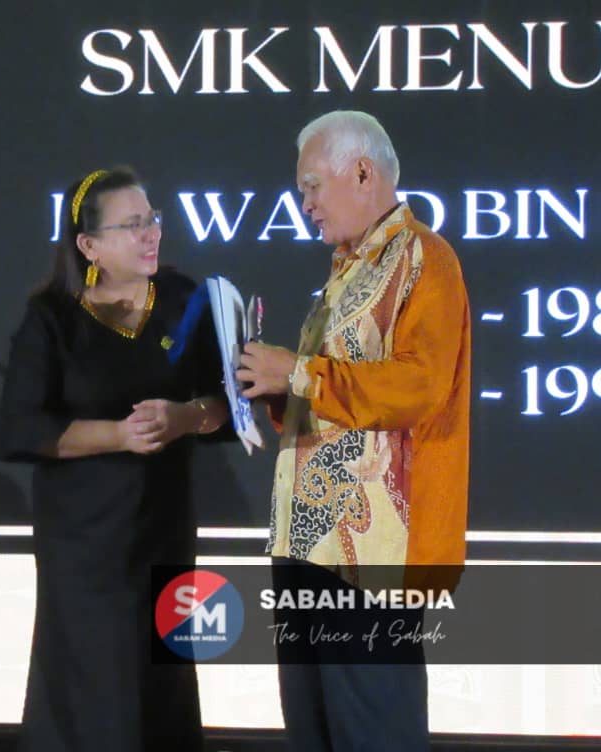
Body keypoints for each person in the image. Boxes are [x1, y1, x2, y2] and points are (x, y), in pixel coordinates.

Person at [235, 110, 471, 751]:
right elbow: (333, 399)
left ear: (363, 172)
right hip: (305, 543)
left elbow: (419, 387)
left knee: (373, 729)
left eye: (312, 186)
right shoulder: (346, 269)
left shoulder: (424, 258)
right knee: (312, 728)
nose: (304, 204)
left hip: (372, 555)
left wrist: (299, 372)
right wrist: (271, 387)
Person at [0, 167, 230, 752]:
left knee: (163, 680)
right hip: (85, 544)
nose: (151, 234)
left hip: (163, 529)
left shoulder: (185, 300)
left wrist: (184, 417)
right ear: (89, 245)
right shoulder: (52, 317)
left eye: (153, 220)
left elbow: (228, 404)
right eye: (132, 225)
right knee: (96, 687)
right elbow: (24, 428)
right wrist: (119, 435)